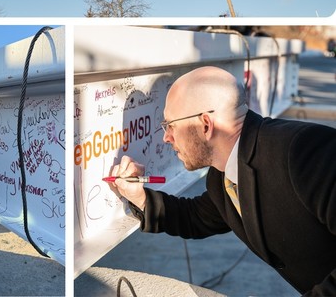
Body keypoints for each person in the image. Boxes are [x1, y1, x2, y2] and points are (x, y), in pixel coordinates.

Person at [109, 66, 336, 297]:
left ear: (205, 125)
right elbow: (195, 217)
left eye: (170, 126)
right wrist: (140, 196)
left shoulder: (303, 151)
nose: (166, 137)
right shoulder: (221, 178)